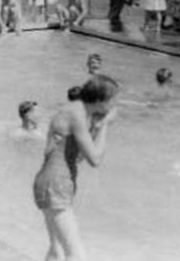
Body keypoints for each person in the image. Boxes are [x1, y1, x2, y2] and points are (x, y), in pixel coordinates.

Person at [33, 75, 119, 261]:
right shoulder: (77, 115)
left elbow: (76, 157)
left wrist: (95, 127)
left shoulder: (74, 111)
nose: (113, 106)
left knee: (57, 250)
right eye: (112, 101)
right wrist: (104, 125)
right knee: (76, 254)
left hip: (48, 182)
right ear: (99, 100)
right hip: (57, 185)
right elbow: (95, 159)